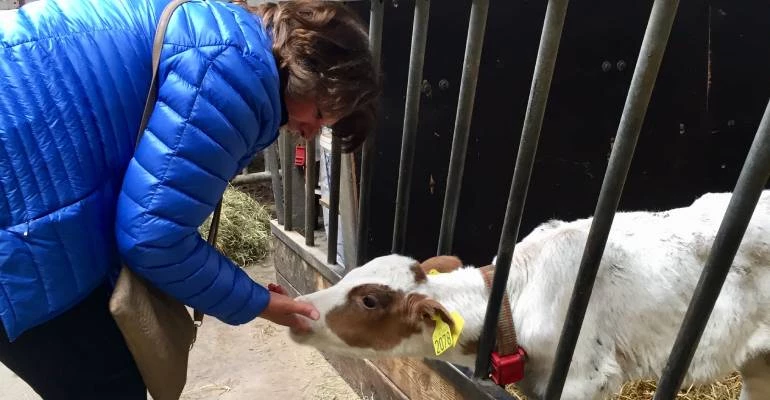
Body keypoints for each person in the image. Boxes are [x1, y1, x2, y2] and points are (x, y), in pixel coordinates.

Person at [0, 0, 380, 398]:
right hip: (22, 219)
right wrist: (264, 305)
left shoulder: (223, 31)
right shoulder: (238, 76)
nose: (309, 132)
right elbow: (153, 239)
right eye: (320, 114)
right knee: (110, 382)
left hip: (33, 182)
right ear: (309, 69)